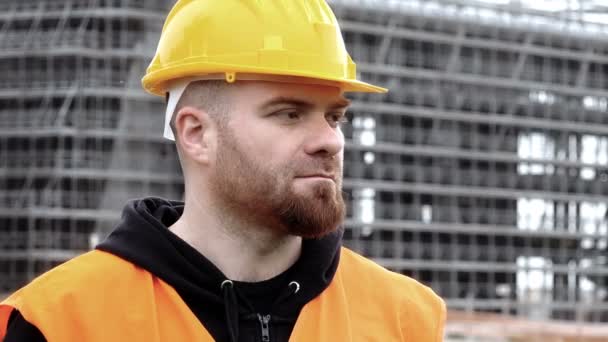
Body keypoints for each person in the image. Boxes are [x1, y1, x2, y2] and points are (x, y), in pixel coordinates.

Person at [0, 1, 446, 341]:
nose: (329, 140)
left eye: (334, 117)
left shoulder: (407, 319)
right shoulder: (59, 322)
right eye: (289, 114)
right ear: (196, 134)